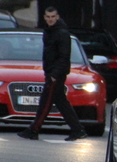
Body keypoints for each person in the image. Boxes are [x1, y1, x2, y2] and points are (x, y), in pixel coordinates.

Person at [18, 7, 88, 141]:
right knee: (61, 102)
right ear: (44, 17)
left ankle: (34, 129)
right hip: (51, 72)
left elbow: (64, 56)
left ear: (57, 17)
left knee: (46, 102)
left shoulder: (61, 33)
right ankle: (78, 129)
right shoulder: (48, 31)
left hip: (56, 74)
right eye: (48, 16)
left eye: (53, 16)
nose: (50, 19)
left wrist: (54, 74)